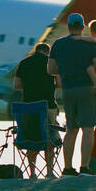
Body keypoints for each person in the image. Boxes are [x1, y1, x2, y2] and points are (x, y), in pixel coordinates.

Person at [48, 12, 96, 176]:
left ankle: (67, 168)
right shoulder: (89, 45)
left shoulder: (58, 44)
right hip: (87, 90)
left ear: (68, 26)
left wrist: (67, 70)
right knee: (88, 129)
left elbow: (50, 69)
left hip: (68, 90)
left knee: (71, 130)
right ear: (82, 27)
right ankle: (84, 167)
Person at [14, 42, 59, 173]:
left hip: (28, 108)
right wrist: (50, 85)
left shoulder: (24, 63)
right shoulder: (51, 62)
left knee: (31, 138)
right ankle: (49, 172)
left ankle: (32, 173)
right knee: (50, 138)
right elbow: (60, 83)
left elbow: (16, 85)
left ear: (36, 50)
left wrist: (30, 85)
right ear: (47, 52)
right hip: (48, 106)